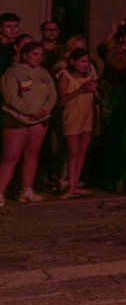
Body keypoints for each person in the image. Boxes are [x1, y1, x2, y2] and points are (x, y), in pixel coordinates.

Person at [0, 42, 57, 204]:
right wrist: (30, 111)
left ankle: (27, 189)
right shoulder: (12, 73)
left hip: (39, 119)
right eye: (34, 54)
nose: (38, 58)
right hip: (17, 118)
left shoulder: (44, 73)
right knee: (11, 156)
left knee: (32, 154)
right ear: (25, 55)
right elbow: (11, 97)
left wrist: (44, 110)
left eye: (40, 55)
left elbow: (52, 94)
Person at [57, 47, 97, 198]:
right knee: (73, 153)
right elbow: (61, 101)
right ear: (73, 62)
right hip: (72, 117)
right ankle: (70, 187)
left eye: (87, 61)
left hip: (87, 116)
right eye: (82, 61)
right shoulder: (65, 77)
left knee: (82, 152)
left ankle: (75, 184)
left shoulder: (88, 77)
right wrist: (80, 90)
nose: (85, 64)